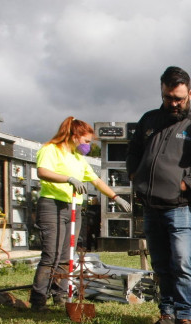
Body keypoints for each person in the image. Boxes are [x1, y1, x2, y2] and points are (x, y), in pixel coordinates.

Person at [127, 66, 191, 324]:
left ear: (190, 93)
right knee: (162, 264)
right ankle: (166, 316)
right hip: (151, 206)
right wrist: (136, 175)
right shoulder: (149, 120)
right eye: (169, 97)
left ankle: (186, 318)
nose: (175, 103)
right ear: (162, 92)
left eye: (180, 98)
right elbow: (134, 152)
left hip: (180, 207)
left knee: (181, 262)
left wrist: (187, 183)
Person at [31, 117, 130, 311]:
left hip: (73, 208)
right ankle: (38, 299)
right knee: (51, 254)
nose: (88, 146)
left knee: (67, 255)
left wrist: (115, 197)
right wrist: (67, 178)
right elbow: (42, 172)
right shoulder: (50, 150)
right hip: (52, 205)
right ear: (74, 136)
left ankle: (60, 295)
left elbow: (96, 181)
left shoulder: (78, 159)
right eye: (86, 141)